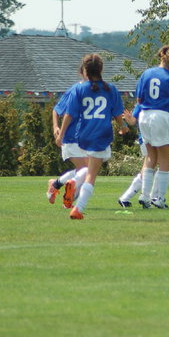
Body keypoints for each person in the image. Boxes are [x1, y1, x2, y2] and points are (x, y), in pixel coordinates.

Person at [56, 53, 128, 219]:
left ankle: (74, 181)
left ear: (85, 70)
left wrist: (61, 134)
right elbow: (117, 113)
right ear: (101, 70)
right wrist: (123, 127)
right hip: (101, 134)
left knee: (88, 168)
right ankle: (78, 208)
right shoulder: (110, 89)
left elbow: (69, 114)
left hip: (84, 135)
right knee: (92, 174)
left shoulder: (79, 89)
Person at [135, 45, 169, 209]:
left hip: (144, 115)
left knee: (150, 157)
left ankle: (144, 195)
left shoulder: (147, 73)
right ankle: (159, 198)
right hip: (160, 115)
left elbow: (139, 99)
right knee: (164, 158)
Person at [46, 64, 89, 209]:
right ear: (81, 73)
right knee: (85, 170)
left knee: (85, 171)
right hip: (71, 137)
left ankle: (57, 184)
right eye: (87, 71)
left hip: (86, 138)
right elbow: (57, 109)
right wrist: (55, 127)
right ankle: (67, 199)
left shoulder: (95, 91)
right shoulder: (75, 90)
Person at [117, 105, 160, 207]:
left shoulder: (142, 103)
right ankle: (153, 197)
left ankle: (126, 198)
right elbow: (132, 121)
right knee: (160, 165)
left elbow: (132, 121)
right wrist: (129, 119)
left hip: (145, 139)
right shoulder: (144, 103)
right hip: (148, 139)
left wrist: (129, 119)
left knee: (147, 168)